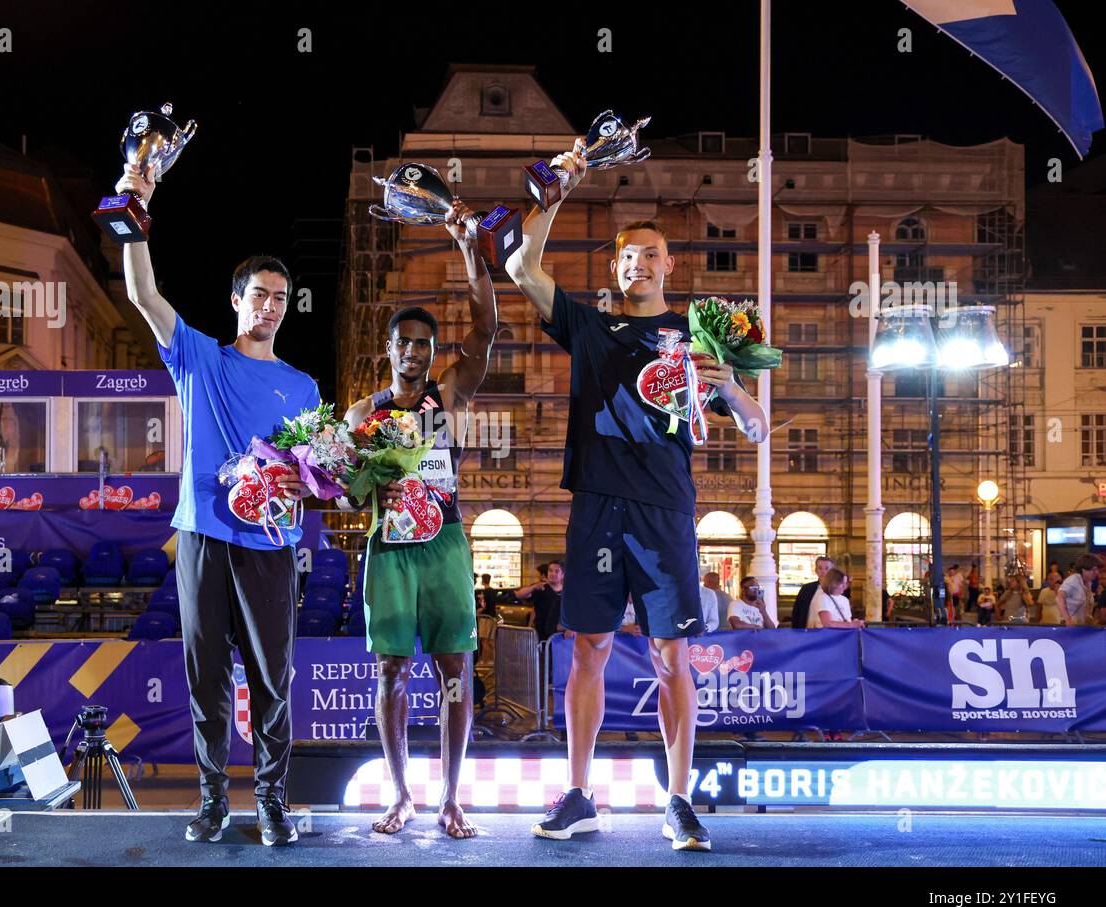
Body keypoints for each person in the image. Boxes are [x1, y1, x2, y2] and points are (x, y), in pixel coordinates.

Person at [505, 140, 767, 850]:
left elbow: (757, 428)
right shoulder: (591, 326)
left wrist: (730, 387)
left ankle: (678, 800)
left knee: (671, 656)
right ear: (615, 267)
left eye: (652, 255)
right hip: (595, 502)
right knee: (589, 646)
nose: (639, 264)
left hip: (664, 509)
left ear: (669, 265)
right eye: (628, 256)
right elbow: (520, 266)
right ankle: (579, 795)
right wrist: (553, 196)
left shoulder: (696, 339)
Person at [119, 162, 317, 847]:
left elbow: (310, 471)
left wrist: (307, 484)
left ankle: (271, 802)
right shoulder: (198, 358)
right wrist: (135, 210)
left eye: (281, 298)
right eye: (260, 295)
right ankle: (211, 801)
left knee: (272, 681)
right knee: (205, 677)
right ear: (236, 300)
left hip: (271, 546)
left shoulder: (304, 387)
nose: (271, 307)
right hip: (203, 536)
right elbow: (143, 292)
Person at [342, 199, 495, 840]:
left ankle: (452, 798)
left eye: (423, 344)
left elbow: (485, 330)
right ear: (389, 348)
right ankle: (401, 794)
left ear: (433, 352)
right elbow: (348, 499)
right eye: (403, 342)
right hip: (389, 546)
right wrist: (365, 480)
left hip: (445, 541)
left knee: (455, 670)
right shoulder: (360, 414)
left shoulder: (449, 393)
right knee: (391, 671)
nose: (412, 351)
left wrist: (469, 249)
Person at [1056, 553, 1102, 626]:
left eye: (1097, 569)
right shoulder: (1073, 580)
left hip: (1080, 625)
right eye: (1094, 570)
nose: (1097, 572)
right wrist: (1068, 620)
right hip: (1069, 626)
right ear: (1083, 569)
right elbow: (1059, 598)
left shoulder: (1089, 582)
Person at [790, 555, 834, 629]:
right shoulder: (806, 589)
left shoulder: (837, 590)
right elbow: (797, 611)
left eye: (827, 568)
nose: (823, 571)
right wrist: (795, 631)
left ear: (832, 571)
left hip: (828, 632)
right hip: (807, 630)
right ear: (816, 570)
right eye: (820, 568)